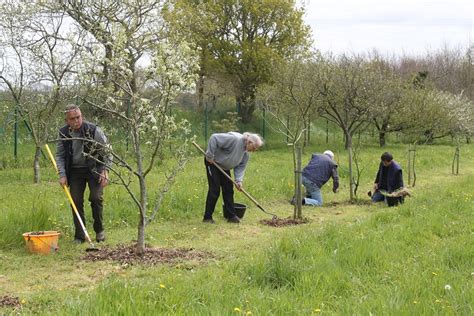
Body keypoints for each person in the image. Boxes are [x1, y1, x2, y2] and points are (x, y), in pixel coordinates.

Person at [56, 105, 112, 243]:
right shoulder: (63, 133)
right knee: (75, 201)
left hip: (94, 168)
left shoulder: (93, 130)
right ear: (66, 120)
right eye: (72, 118)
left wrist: (105, 170)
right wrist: (62, 174)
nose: (76, 121)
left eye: (78, 117)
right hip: (75, 171)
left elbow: (107, 151)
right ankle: (80, 235)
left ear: (82, 116)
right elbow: (60, 155)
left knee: (96, 198)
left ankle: (99, 231)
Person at [203, 132, 264, 224]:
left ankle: (231, 216)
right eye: (254, 148)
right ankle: (207, 217)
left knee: (228, 189)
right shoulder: (235, 139)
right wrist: (210, 155)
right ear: (249, 142)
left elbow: (240, 167)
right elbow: (214, 137)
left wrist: (238, 181)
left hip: (224, 167)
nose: (254, 151)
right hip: (213, 163)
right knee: (214, 190)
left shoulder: (245, 154)